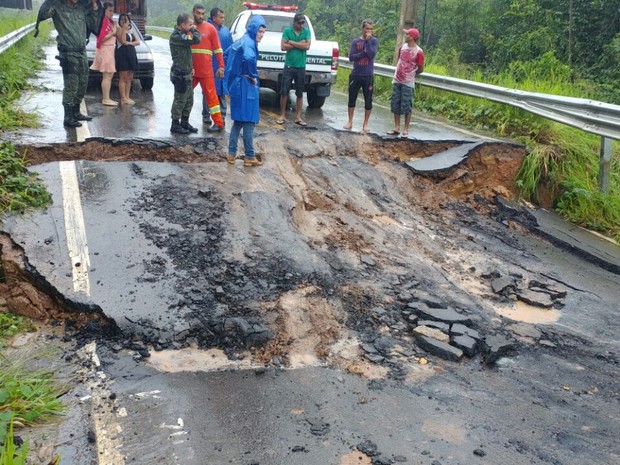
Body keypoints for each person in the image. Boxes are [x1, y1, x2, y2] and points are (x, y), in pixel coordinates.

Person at [34, 0, 103, 127]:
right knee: (71, 84)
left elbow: (92, 25)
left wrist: (94, 7)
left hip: (82, 52)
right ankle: (68, 116)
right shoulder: (57, 6)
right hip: (68, 53)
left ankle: (76, 112)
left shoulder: (81, 7)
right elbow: (43, 15)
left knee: (83, 83)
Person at [226, 14, 266, 167]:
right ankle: (249, 156)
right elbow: (249, 58)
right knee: (249, 122)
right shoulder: (249, 43)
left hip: (237, 84)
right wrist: (253, 75)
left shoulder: (241, 40)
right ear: (254, 29)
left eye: (263, 33)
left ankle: (231, 154)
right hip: (247, 85)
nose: (261, 35)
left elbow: (227, 54)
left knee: (238, 122)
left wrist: (234, 71)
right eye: (260, 32)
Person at [191, 4, 225, 132]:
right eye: (198, 13)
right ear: (193, 12)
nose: (200, 16)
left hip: (206, 72)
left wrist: (221, 67)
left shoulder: (210, 29)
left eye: (202, 13)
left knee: (212, 97)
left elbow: (218, 50)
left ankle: (218, 123)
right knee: (186, 96)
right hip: (191, 71)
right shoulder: (189, 27)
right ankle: (183, 122)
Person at [388, 28, 424, 138]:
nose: (405, 35)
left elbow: (421, 68)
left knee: (407, 105)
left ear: (412, 37)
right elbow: (400, 60)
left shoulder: (419, 52)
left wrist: (411, 73)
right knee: (395, 102)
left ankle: (406, 129)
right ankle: (397, 127)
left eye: (407, 34)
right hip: (397, 79)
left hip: (408, 82)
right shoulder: (402, 47)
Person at [343, 19, 378, 133]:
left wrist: (367, 43)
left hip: (368, 74)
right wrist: (363, 53)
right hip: (356, 73)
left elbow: (371, 53)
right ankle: (350, 121)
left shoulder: (374, 41)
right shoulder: (356, 41)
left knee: (368, 100)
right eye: (367, 28)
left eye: (371, 29)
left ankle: (365, 123)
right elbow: (351, 57)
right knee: (352, 98)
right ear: (362, 29)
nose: (369, 31)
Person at [276, 12, 311, 126]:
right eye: (299, 23)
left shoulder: (306, 31)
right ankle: (282, 114)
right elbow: (283, 47)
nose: (301, 25)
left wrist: (291, 42)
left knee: (299, 93)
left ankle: (298, 116)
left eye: (303, 23)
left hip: (301, 66)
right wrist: (299, 43)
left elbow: (307, 46)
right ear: (294, 22)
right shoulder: (287, 31)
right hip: (289, 65)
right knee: (284, 91)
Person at [169, 13, 201, 134]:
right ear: (182, 25)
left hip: (187, 73)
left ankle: (185, 122)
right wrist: (194, 29)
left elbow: (186, 54)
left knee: (189, 99)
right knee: (180, 100)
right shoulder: (177, 36)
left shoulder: (183, 35)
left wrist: (191, 67)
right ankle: (175, 124)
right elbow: (197, 39)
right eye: (190, 24)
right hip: (180, 74)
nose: (192, 26)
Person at [204, 6, 233, 125]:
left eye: (223, 17)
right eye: (221, 17)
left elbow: (231, 49)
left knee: (221, 91)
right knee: (207, 92)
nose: (223, 19)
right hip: (208, 67)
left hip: (221, 67)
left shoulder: (225, 31)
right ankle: (206, 115)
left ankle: (222, 115)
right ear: (214, 18)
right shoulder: (205, 29)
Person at [90, 2, 117, 106]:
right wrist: (112, 33)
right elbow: (101, 38)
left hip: (109, 49)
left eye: (112, 11)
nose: (112, 13)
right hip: (105, 49)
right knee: (107, 75)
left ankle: (107, 98)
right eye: (110, 11)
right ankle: (105, 99)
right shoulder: (103, 21)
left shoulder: (109, 21)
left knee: (109, 75)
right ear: (104, 11)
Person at [115, 13, 140, 105]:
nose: (124, 21)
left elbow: (138, 42)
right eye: (122, 19)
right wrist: (124, 29)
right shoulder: (119, 29)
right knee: (123, 77)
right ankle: (123, 98)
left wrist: (130, 43)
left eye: (126, 20)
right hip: (122, 54)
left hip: (131, 53)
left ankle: (127, 96)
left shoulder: (131, 31)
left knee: (130, 77)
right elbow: (122, 41)